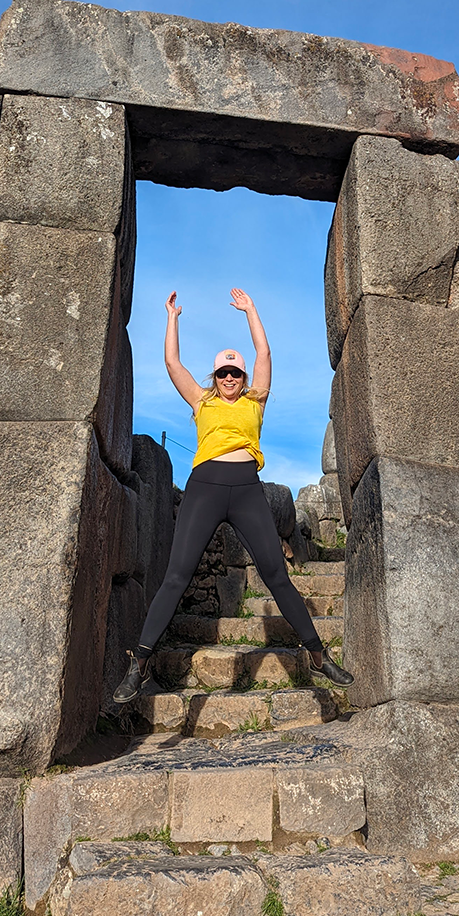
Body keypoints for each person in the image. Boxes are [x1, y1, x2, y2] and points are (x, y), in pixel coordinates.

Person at [113, 286, 354, 704]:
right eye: (223, 373)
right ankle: (141, 662)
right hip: (204, 488)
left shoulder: (254, 403)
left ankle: (318, 655)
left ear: (243, 380)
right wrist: (172, 318)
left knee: (277, 574)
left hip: (246, 489)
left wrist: (252, 311)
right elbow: (172, 363)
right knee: (176, 575)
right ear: (214, 377)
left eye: (235, 374)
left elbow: (264, 355)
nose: (229, 379)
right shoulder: (202, 401)